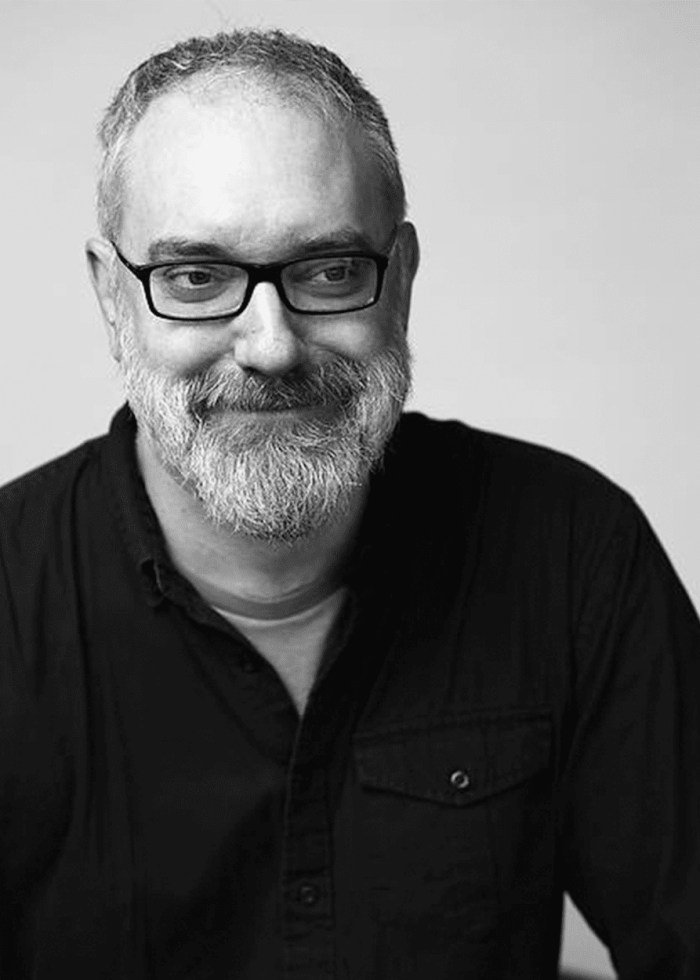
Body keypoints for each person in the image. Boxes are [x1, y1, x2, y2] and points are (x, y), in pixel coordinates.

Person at [0, 27, 698, 980]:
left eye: (328, 271)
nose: (271, 346)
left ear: (399, 279)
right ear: (112, 297)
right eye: (197, 277)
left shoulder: (574, 554)